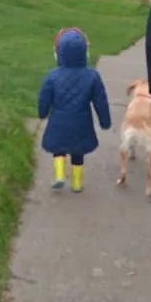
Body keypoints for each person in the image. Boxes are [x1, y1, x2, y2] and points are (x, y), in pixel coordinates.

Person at [37, 27, 112, 193]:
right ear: (85, 52)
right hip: (81, 122)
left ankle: (59, 176)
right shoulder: (92, 76)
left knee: (58, 149)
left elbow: (44, 98)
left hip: (58, 121)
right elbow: (101, 100)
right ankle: (77, 183)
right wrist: (104, 121)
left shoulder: (52, 76)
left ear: (59, 53)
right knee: (78, 153)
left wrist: (42, 113)